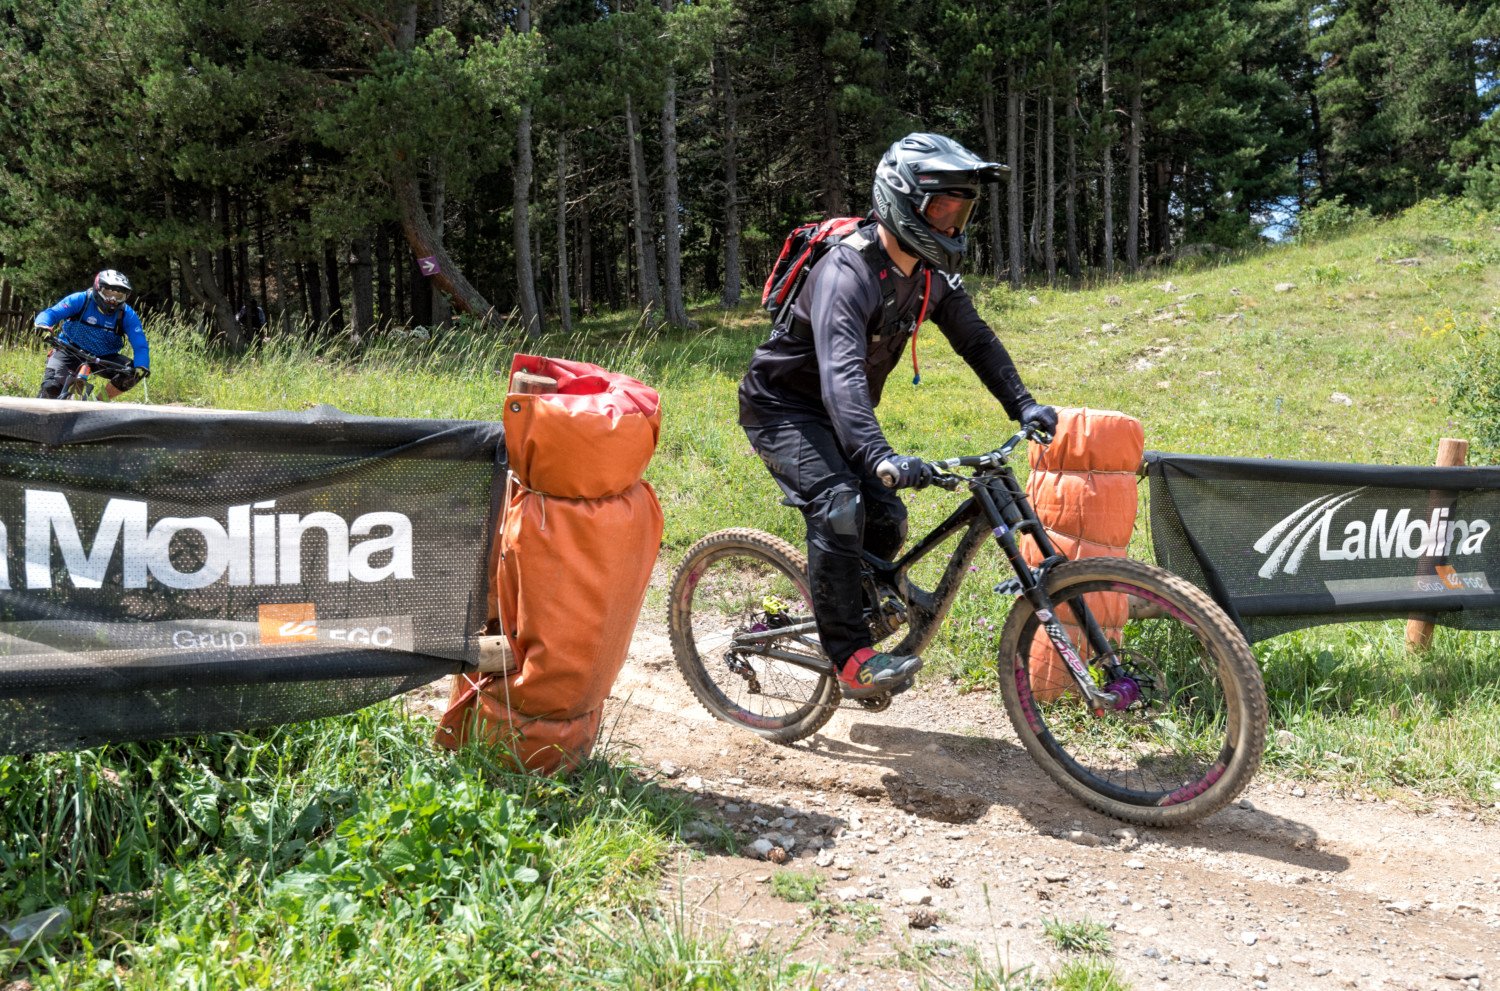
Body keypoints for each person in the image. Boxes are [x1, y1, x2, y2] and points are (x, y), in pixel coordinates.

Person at [738, 132, 1058, 699]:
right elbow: (841, 377)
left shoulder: (930, 275)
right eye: (941, 208)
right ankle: (850, 657)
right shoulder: (848, 273)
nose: (951, 224)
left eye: (960, 211)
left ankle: (843, 607)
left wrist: (1024, 404)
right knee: (839, 506)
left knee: (885, 520)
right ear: (903, 201)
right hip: (781, 408)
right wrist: (880, 456)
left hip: (838, 411)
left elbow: (976, 340)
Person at [33, 269, 150, 400]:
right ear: (97, 288)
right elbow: (51, 314)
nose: (113, 300)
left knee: (133, 374)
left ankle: (99, 403)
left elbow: (140, 346)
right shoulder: (80, 299)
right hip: (69, 349)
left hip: (104, 357)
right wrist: (43, 326)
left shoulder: (127, 314)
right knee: (51, 388)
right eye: (108, 293)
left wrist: (142, 364)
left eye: (119, 297)